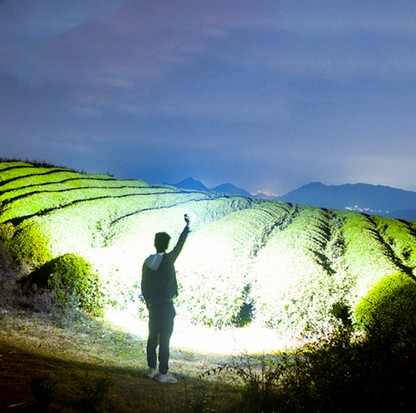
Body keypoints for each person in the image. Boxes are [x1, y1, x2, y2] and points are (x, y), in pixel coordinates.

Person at [141, 214, 190, 383]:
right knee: (165, 339)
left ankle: (151, 369)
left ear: (155, 244)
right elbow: (180, 245)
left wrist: (149, 303)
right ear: (166, 245)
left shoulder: (147, 262)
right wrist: (186, 227)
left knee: (152, 337)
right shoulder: (168, 260)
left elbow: (144, 285)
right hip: (166, 306)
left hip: (153, 306)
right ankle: (163, 374)